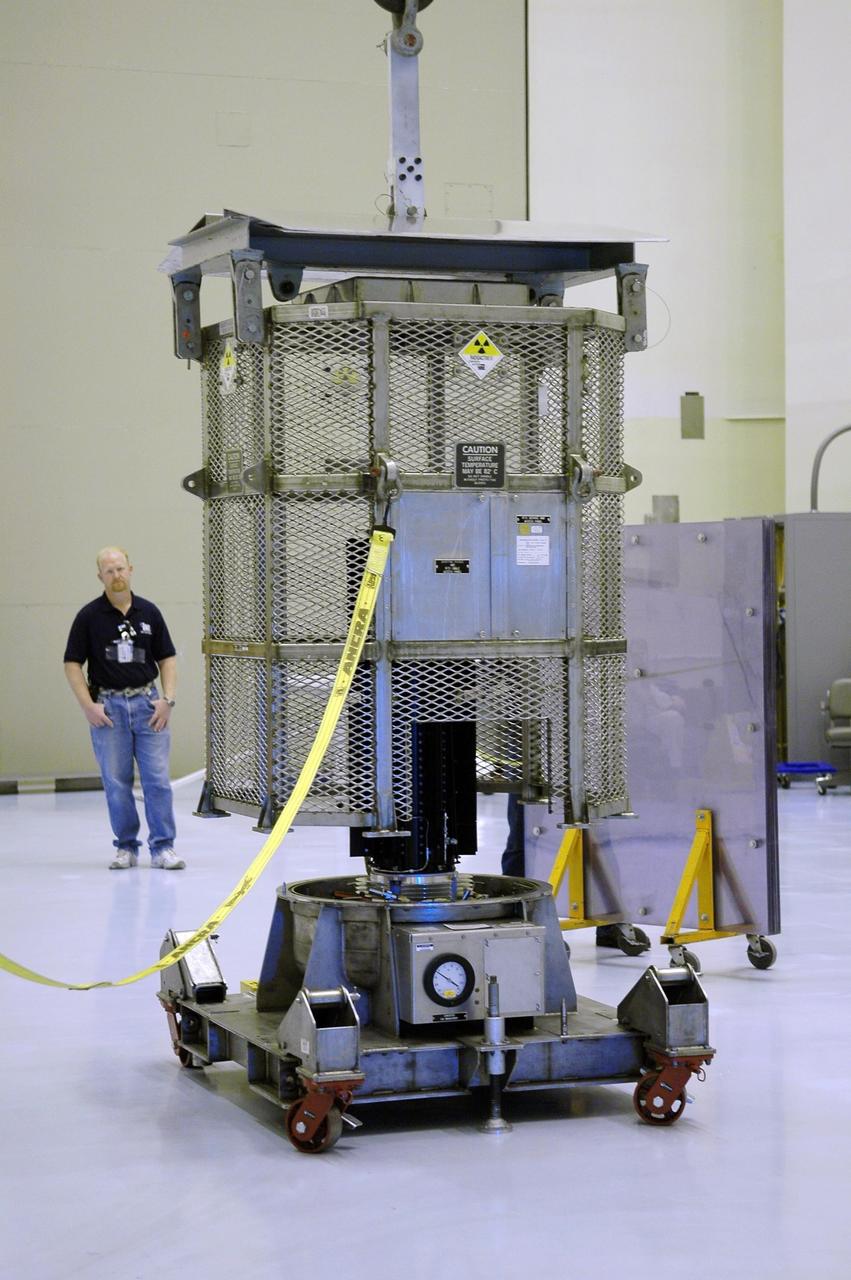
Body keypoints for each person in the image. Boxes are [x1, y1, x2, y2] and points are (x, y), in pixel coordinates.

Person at [63, 546, 185, 870]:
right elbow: (72, 663)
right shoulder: (89, 617)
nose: (116, 576)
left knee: (157, 780)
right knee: (116, 782)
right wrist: (88, 706)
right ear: (100, 576)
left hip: (148, 705)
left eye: (120, 569)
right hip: (109, 710)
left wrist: (167, 700)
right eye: (109, 571)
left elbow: (167, 658)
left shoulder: (149, 613)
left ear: (131, 569)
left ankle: (163, 848)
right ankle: (126, 847)